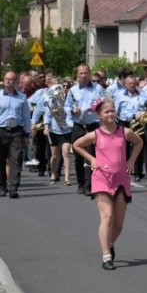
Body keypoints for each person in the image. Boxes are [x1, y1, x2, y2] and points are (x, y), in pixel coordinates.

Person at [72, 97, 143, 270]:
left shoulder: (124, 132)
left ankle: (110, 243)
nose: (110, 114)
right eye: (106, 112)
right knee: (107, 217)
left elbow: (139, 142)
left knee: (118, 223)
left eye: (112, 111)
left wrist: (131, 160)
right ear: (99, 115)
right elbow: (77, 145)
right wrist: (92, 159)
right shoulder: (95, 134)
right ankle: (106, 257)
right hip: (101, 178)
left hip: (121, 179)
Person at [64, 64, 106, 195]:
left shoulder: (98, 88)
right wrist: (72, 110)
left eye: (85, 73)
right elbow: (66, 106)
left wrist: (94, 107)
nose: (83, 75)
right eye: (81, 73)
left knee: (91, 155)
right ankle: (80, 183)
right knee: (78, 156)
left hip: (93, 124)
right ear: (77, 75)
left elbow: (103, 101)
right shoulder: (73, 90)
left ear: (89, 73)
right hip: (78, 125)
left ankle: (89, 185)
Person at [33, 82, 72, 185]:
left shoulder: (69, 100)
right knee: (54, 155)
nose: (64, 88)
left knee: (66, 153)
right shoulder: (52, 101)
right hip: (54, 130)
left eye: (66, 87)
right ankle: (53, 173)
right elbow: (48, 115)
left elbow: (72, 113)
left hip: (67, 130)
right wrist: (46, 127)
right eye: (62, 87)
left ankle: (67, 178)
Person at [0, 72, 31, 198]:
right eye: (6, 79)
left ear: (16, 81)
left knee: (16, 159)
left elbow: (26, 116)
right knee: (1, 159)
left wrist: (26, 134)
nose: (8, 81)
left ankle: (13, 188)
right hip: (1, 130)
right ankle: (2, 186)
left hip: (16, 131)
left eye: (10, 79)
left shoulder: (22, 97)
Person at [115, 75, 144, 181]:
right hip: (124, 123)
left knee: (138, 147)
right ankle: (124, 169)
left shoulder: (141, 95)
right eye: (130, 83)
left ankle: (138, 172)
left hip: (138, 123)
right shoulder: (120, 95)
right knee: (124, 148)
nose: (132, 85)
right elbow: (116, 111)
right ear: (125, 84)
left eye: (133, 83)